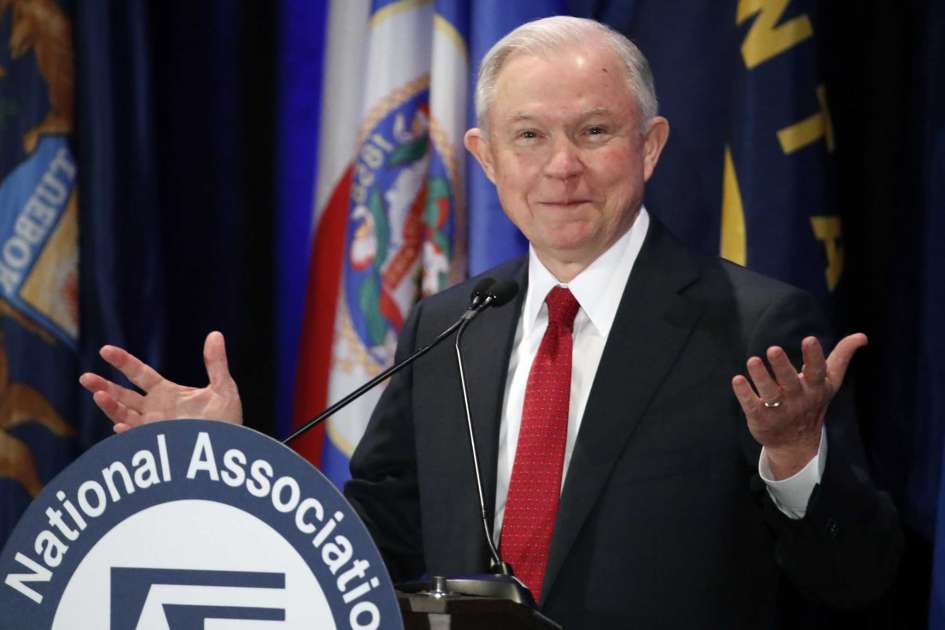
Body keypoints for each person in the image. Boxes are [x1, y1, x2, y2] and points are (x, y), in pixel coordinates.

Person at [80, 16, 901, 628]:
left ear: (648, 147)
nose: (560, 166)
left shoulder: (753, 323)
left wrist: (795, 459)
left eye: (594, 132)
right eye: (529, 136)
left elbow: (857, 578)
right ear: (484, 158)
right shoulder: (451, 324)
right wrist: (228, 463)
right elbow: (366, 541)